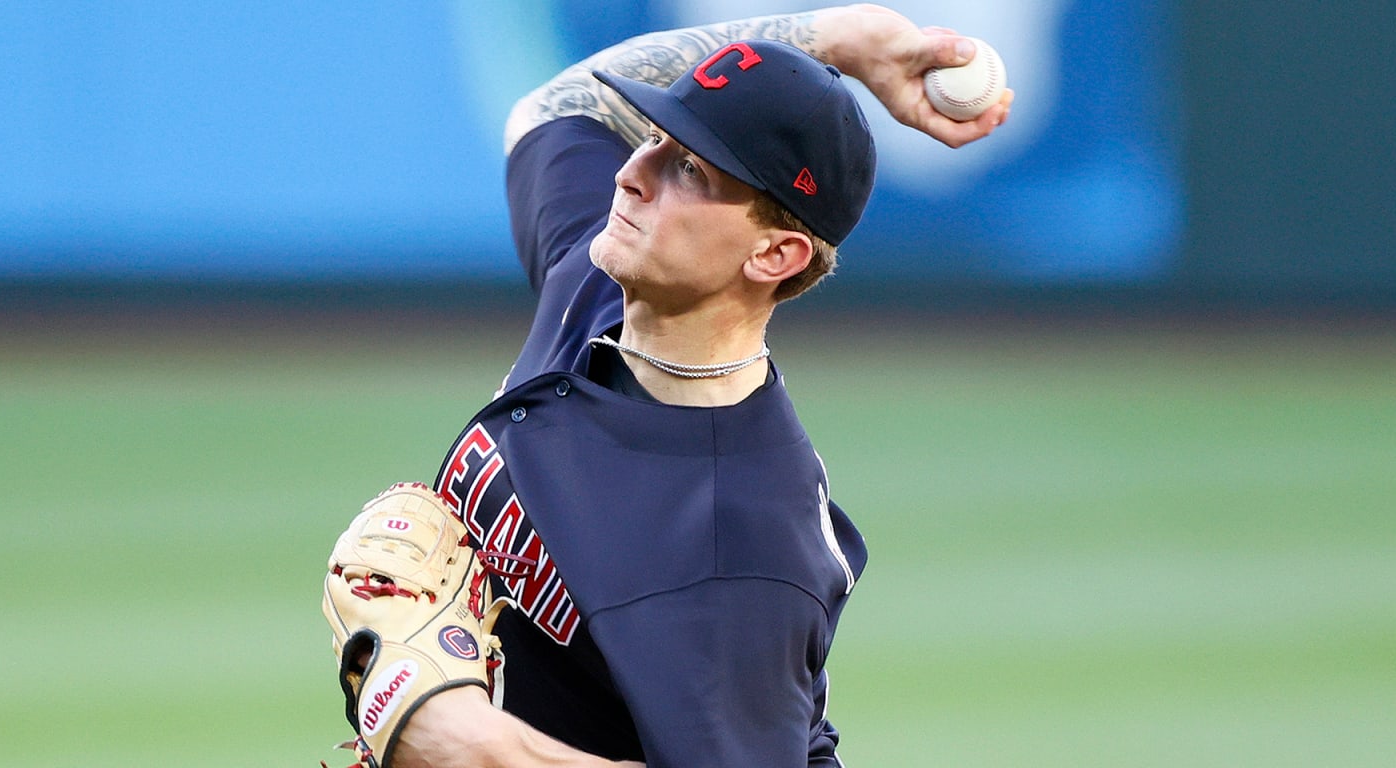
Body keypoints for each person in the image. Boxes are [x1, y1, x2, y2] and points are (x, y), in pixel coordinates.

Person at [388, 5, 1011, 767]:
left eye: (687, 168)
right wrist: (840, 39)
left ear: (775, 255)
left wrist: (457, 736)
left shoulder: (740, 547)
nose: (629, 174)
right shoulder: (605, 285)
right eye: (652, 136)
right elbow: (562, 109)